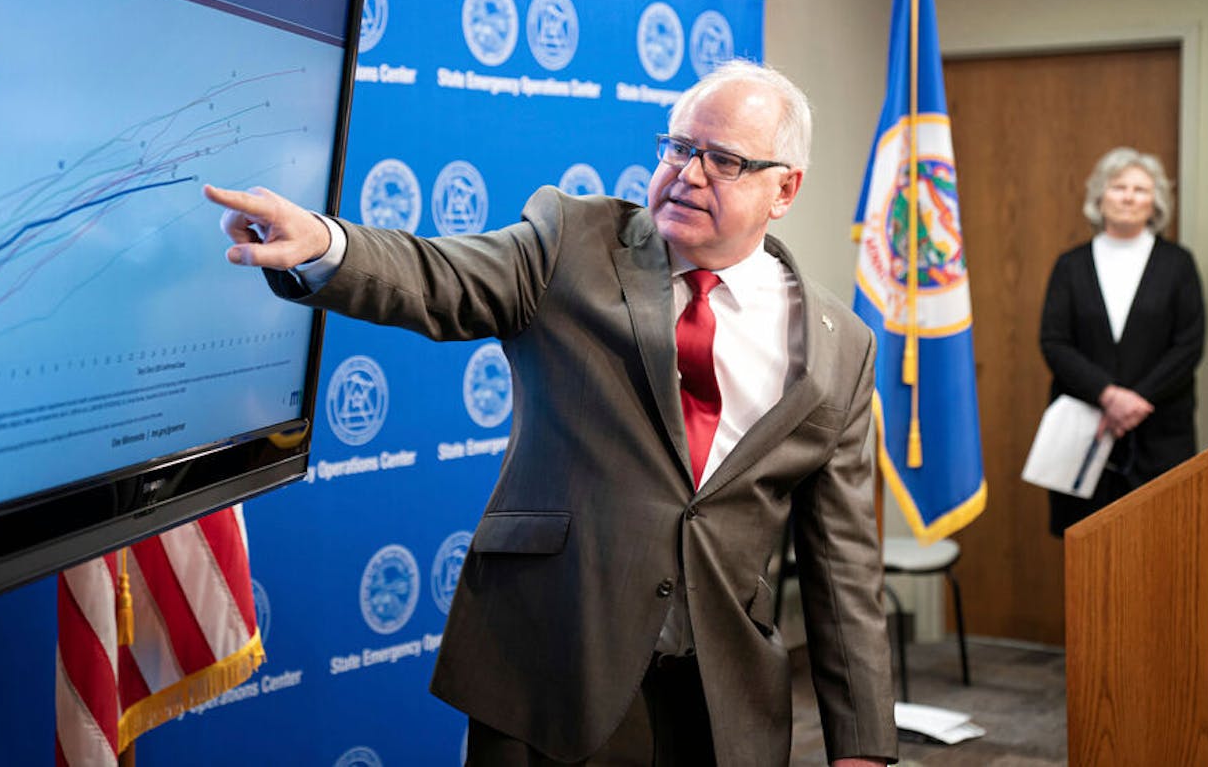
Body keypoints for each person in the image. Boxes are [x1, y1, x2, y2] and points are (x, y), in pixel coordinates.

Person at [204, 60, 896, 766]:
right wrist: (327, 246)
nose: (688, 174)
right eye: (679, 147)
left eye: (724, 161)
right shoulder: (572, 242)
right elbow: (438, 277)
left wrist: (862, 746)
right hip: (547, 674)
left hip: (719, 707)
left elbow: (844, 566)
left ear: (786, 188)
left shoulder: (842, 350)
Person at [1040, 146, 1205, 537]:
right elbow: (1054, 342)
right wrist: (1108, 395)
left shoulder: (1178, 265)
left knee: (1163, 548)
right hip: (1084, 434)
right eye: (1119, 187)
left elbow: (1189, 346)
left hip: (1161, 437)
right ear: (1099, 196)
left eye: (1141, 189)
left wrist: (1133, 401)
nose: (1129, 197)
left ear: (1156, 203)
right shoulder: (1070, 265)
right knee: (1088, 553)